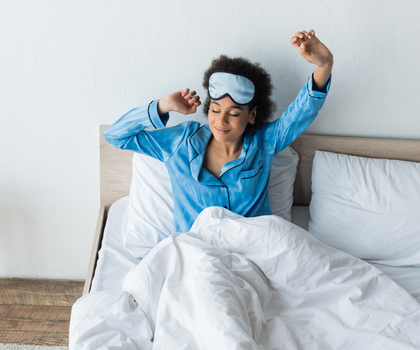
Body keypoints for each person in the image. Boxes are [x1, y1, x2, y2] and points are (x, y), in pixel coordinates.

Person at [104, 29, 333, 233]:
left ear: (251, 115)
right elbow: (116, 136)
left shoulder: (263, 143)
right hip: (194, 255)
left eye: (233, 113)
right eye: (215, 109)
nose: (221, 121)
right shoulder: (181, 142)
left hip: (254, 253)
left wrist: (324, 65)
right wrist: (163, 105)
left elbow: (301, 113)